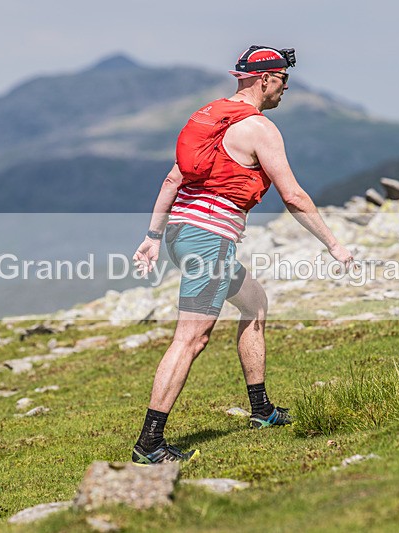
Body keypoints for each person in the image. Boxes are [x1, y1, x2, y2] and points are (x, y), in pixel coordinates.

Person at [130, 45, 355, 464]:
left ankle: (261, 409)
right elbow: (293, 196)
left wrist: (153, 236)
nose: (286, 87)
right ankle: (149, 444)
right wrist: (333, 244)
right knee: (191, 339)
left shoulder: (213, 116)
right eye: (283, 79)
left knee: (254, 304)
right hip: (209, 240)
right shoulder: (260, 129)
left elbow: (173, 178)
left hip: (182, 233)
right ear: (265, 79)